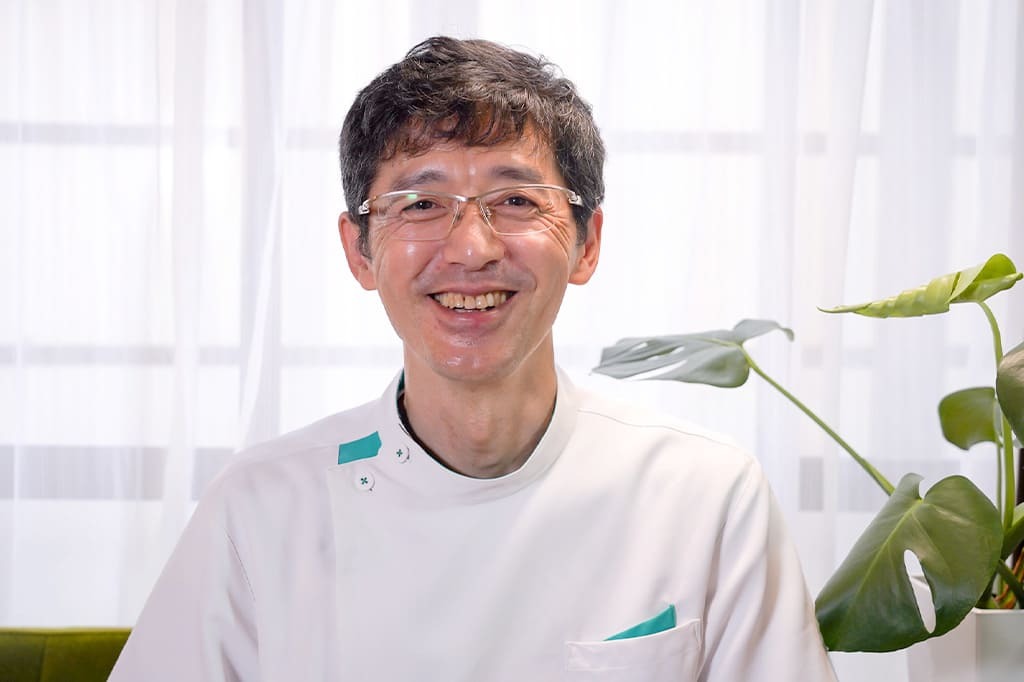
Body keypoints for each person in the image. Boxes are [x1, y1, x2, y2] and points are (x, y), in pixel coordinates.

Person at [110, 36, 837, 681]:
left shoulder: (703, 493)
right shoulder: (262, 505)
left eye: (516, 200)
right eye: (420, 205)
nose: (471, 248)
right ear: (359, 251)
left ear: (587, 243)